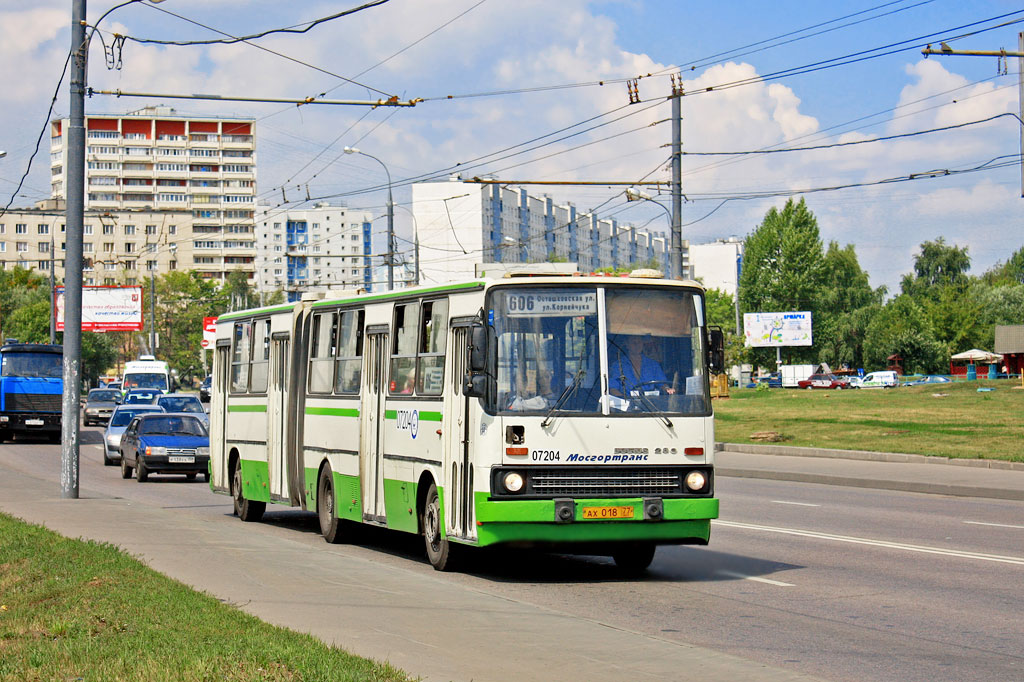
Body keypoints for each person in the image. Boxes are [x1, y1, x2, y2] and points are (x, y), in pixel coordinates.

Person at [608, 334, 675, 396]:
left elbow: (662, 383)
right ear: (627, 344)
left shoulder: (653, 364)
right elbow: (613, 389)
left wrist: (667, 389)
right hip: (627, 405)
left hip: (650, 406)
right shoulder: (617, 366)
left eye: (639, 342)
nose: (637, 345)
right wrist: (626, 401)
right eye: (634, 342)